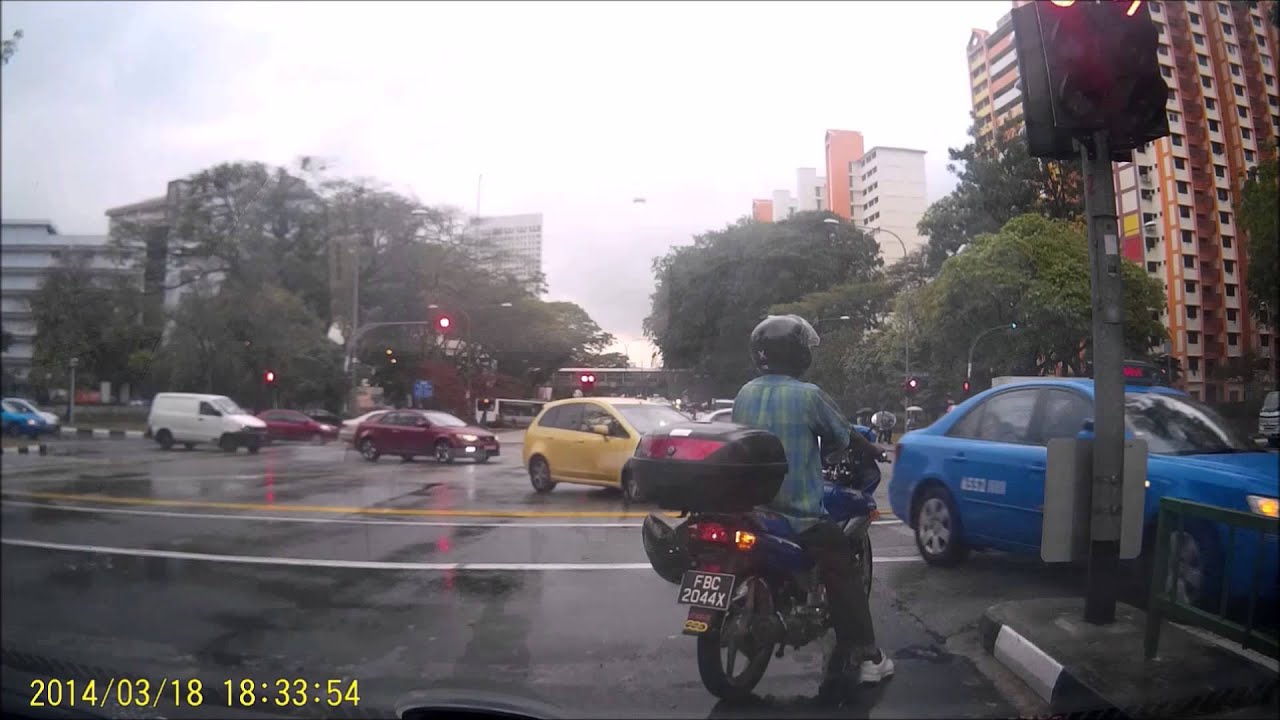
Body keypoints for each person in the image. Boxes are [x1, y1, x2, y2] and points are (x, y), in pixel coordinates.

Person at [731, 314, 893, 690]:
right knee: (843, 567)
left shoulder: (745, 393)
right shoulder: (808, 396)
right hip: (797, 515)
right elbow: (844, 435)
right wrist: (872, 449)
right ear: (798, 354)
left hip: (751, 511)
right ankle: (869, 657)